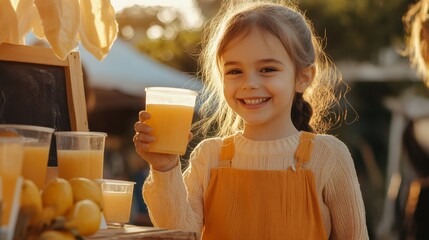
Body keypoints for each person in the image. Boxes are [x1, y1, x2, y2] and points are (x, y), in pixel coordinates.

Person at [133, 1, 368, 239]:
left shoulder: (327, 156)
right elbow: (178, 232)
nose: (249, 83)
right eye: (235, 71)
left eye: (267, 69)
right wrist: (164, 168)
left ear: (303, 77)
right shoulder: (209, 157)